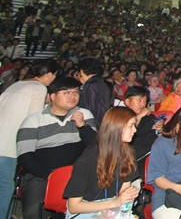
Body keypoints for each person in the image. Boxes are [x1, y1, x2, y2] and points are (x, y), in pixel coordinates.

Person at [17, 76, 98, 219]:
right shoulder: (34, 120)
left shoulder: (84, 115)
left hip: (77, 173)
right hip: (42, 174)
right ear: (52, 96)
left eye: (75, 92)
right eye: (66, 93)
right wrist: (50, 176)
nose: (73, 96)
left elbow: (95, 146)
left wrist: (82, 126)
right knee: (32, 211)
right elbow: (25, 156)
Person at [0, 59, 59, 218]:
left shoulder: (16, 84)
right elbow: (34, 119)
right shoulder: (39, 88)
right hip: (8, 145)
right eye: (54, 75)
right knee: (5, 185)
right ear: (48, 75)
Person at [63, 107, 140, 218]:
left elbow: (124, 190)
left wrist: (129, 193)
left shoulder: (128, 153)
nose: (135, 130)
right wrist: (115, 202)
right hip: (86, 212)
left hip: (112, 210)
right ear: (117, 128)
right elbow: (74, 207)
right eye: (131, 126)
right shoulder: (86, 161)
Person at [123, 86, 162, 177]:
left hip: (149, 153)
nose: (143, 104)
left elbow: (155, 136)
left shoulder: (149, 117)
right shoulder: (120, 116)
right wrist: (138, 116)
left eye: (145, 100)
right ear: (127, 102)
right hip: (130, 155)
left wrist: (159, 130)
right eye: (139, 100)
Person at [78, 57, 113, 128]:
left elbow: (89, 109)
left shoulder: (90, 85)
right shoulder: (101, 82)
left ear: (82, 71)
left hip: (93, 124)